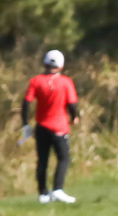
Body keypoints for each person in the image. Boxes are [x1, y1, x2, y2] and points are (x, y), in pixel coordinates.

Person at [22, 49, 79, 204]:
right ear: (61, 66)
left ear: (45, 63)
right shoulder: (66, 82)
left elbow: (26, 103)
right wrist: (75, 117)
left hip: (41, 127)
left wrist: (25, 124)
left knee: (42, 160)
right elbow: (72, 104)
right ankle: (57, 189)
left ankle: (43, 194)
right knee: (64, 158)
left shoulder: (36, 81)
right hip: (59, 127)